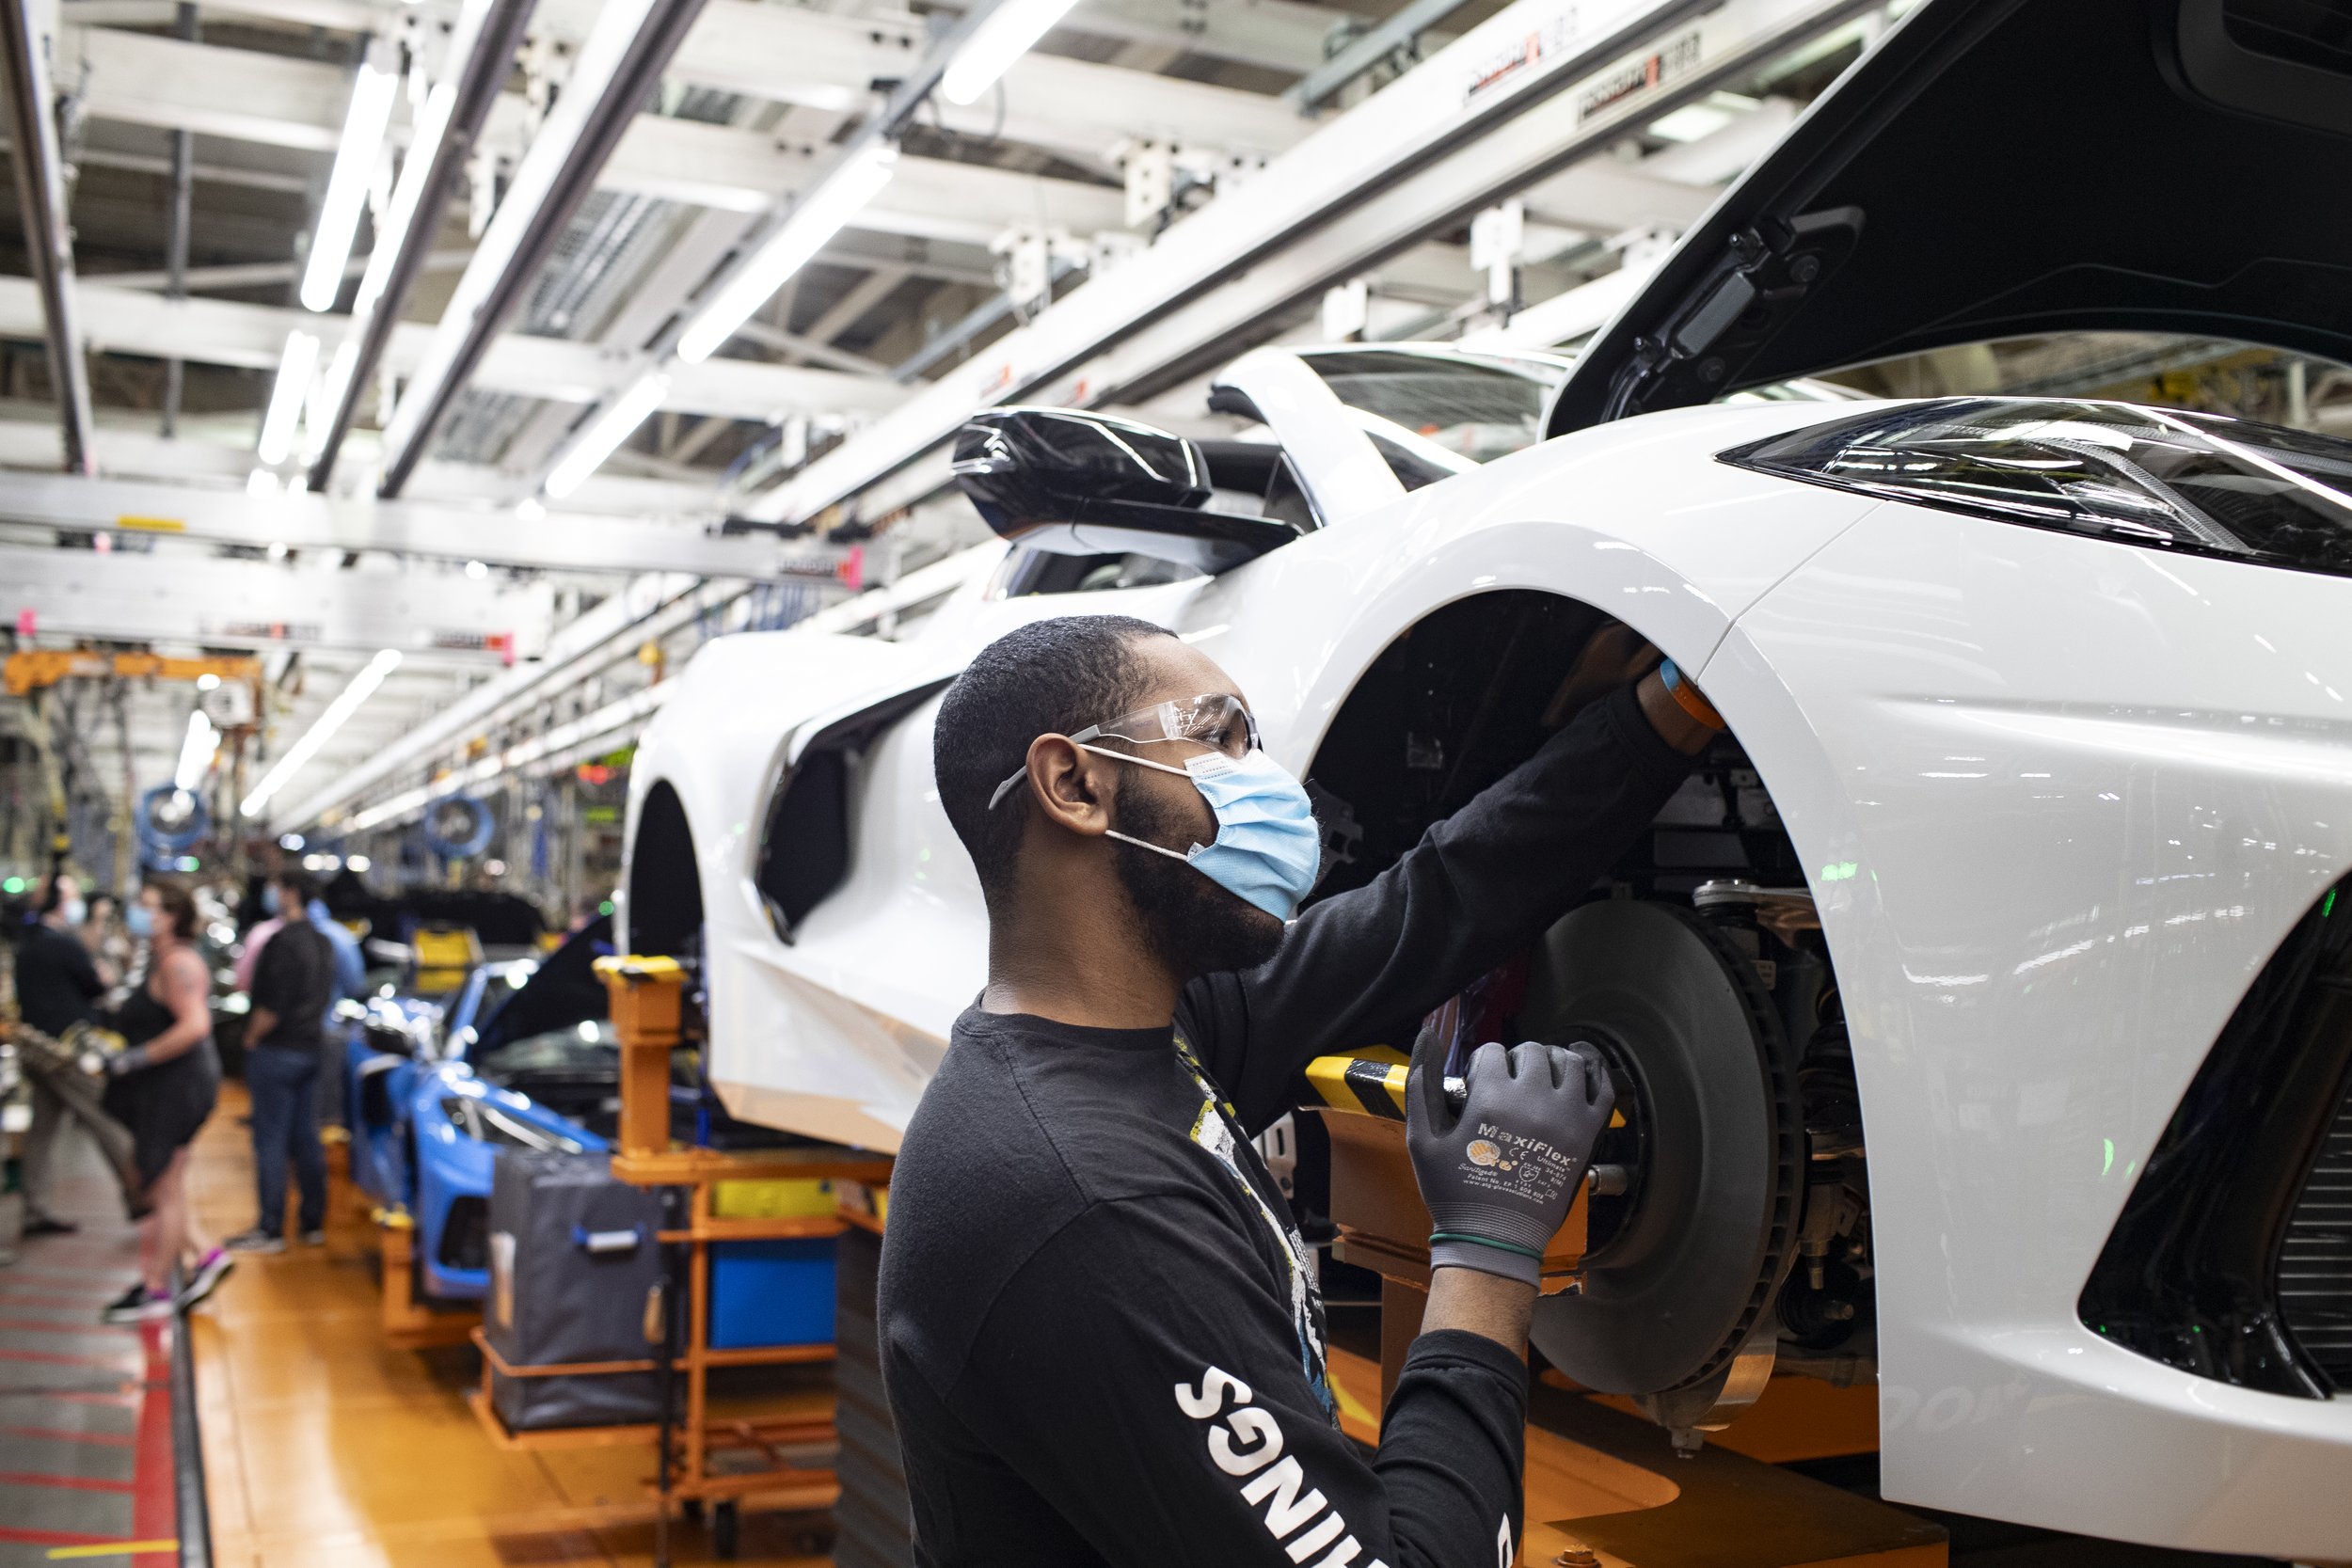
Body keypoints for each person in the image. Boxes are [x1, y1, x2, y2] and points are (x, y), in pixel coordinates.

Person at [880, 614, 1720, 1566]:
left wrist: (1664, 714)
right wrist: (1490, 1245)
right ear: (1075, 784)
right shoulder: (1083, 1203)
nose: (1266, 781)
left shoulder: (1144, 1030)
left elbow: (1432, 904)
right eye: (1219, 735)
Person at [102, 880, 230, 1323]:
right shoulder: (158, 961)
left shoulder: (179, 963)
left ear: (171, 916)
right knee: (164, 1179)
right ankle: (206, 1254)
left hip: (180, 1085)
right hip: (171, 1085)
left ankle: (156, 1288)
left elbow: (194, 1025)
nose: (141, 913)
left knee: (162, 1183)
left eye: (150, 907)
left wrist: (137, 1058)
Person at [12, 872, 141, 1236]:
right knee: (107, 1118)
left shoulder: (31, 941)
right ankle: (143, 1195)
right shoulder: (61, 944)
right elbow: (97, 983)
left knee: (42, 1129)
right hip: (65, 1053)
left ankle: (34, 1210)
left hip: (35, 1049)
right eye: (70, 896)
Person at [225, 869, 336, 1254]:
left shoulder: (281, 943)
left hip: (277, 1051)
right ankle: (312, 1223)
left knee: (270, 1138)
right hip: (310, 1048)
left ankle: (270, 1229)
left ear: (290, 894)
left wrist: (251, 1038)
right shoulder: (324, 943)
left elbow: (271, 1006)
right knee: (305, 1136)